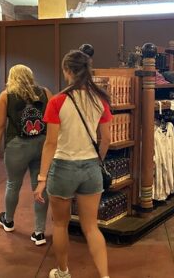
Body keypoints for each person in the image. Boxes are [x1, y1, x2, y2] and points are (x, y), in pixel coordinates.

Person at [34, 50, 112, 278]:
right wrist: (98, 161)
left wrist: (41, 179)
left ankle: (63, 272)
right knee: (91, 227)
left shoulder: (57, 101)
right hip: (90, 168)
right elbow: (106, 139)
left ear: (67, 71)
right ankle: (105, 276)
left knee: (60, 225)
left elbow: (50, 143)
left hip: (63, 168)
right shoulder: (100, 100)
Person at [0, 64, 52, 246]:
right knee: (40, 185)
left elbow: (0, 125)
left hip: (16, 145)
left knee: (13, 184)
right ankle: (39, 232)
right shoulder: (45, 92)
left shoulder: (5, 96)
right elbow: (52, 119)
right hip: (41, 143)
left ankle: (8, 220)